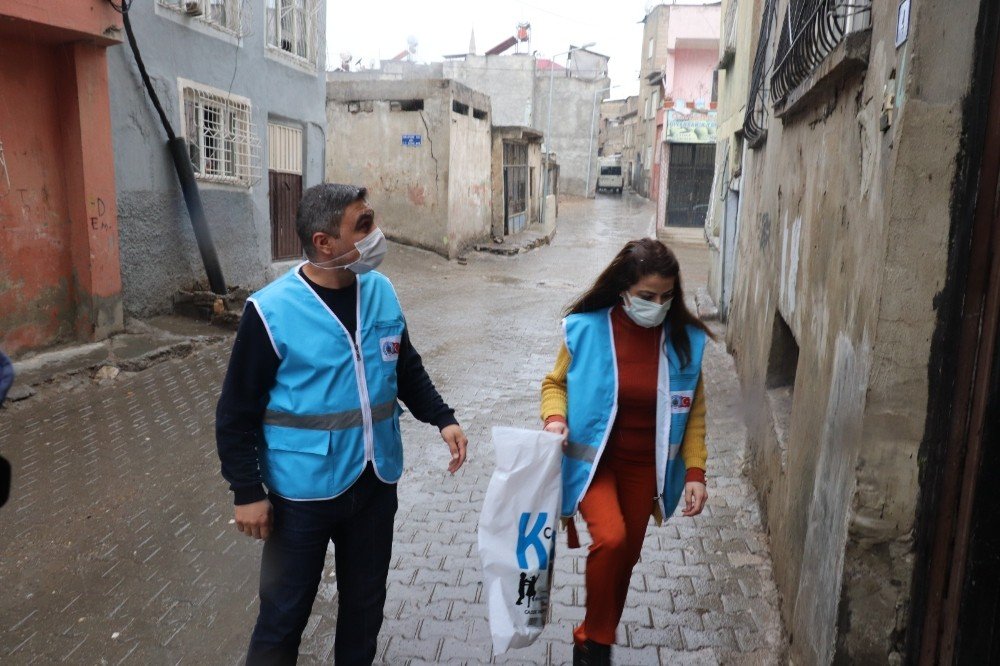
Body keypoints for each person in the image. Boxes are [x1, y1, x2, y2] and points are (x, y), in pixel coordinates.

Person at [216, 184, 468, 665]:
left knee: (364, 611)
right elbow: (235, 413)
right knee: (283, 618)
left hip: (374, 486)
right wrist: (246, 491)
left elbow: (404, 365)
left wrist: (442, 417)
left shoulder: (380, 290)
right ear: (324, 242)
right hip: (300, 495)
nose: (377, 235)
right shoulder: (270, 311)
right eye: (364, 225)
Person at [540, 238, 712, 666]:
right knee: (612, 539)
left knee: (626, 558)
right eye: (647, 296)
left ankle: (590, 635)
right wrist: (554, 419)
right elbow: (554, 384)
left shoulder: (684, 341)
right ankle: (595, 645)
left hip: (645, 471)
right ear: (623, 289)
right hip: (594, 466)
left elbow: (693, 412)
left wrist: (695, 473)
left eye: (667, 297)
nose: (658, 305)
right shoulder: (587, 327)